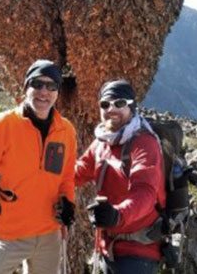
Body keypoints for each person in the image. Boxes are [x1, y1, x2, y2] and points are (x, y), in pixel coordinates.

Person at [0, 59, 77, 274]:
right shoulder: (2, 125)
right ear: (26, 87)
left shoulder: (66, 131)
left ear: (57, 92)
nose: (43, 92)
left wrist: (68, 204)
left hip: (49, 234)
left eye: (51, 86)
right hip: (7, 232)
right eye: (37, 84)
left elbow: (66, 177)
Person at [75, 79, 165, 274]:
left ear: (132, 107)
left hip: (138, 252)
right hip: (106, 248)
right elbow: (78, 171)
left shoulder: (144, 143)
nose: (111, 109)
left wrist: (118, 215)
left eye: (119, 103)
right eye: (105, 104)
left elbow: (146, 192)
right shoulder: (102, 143)